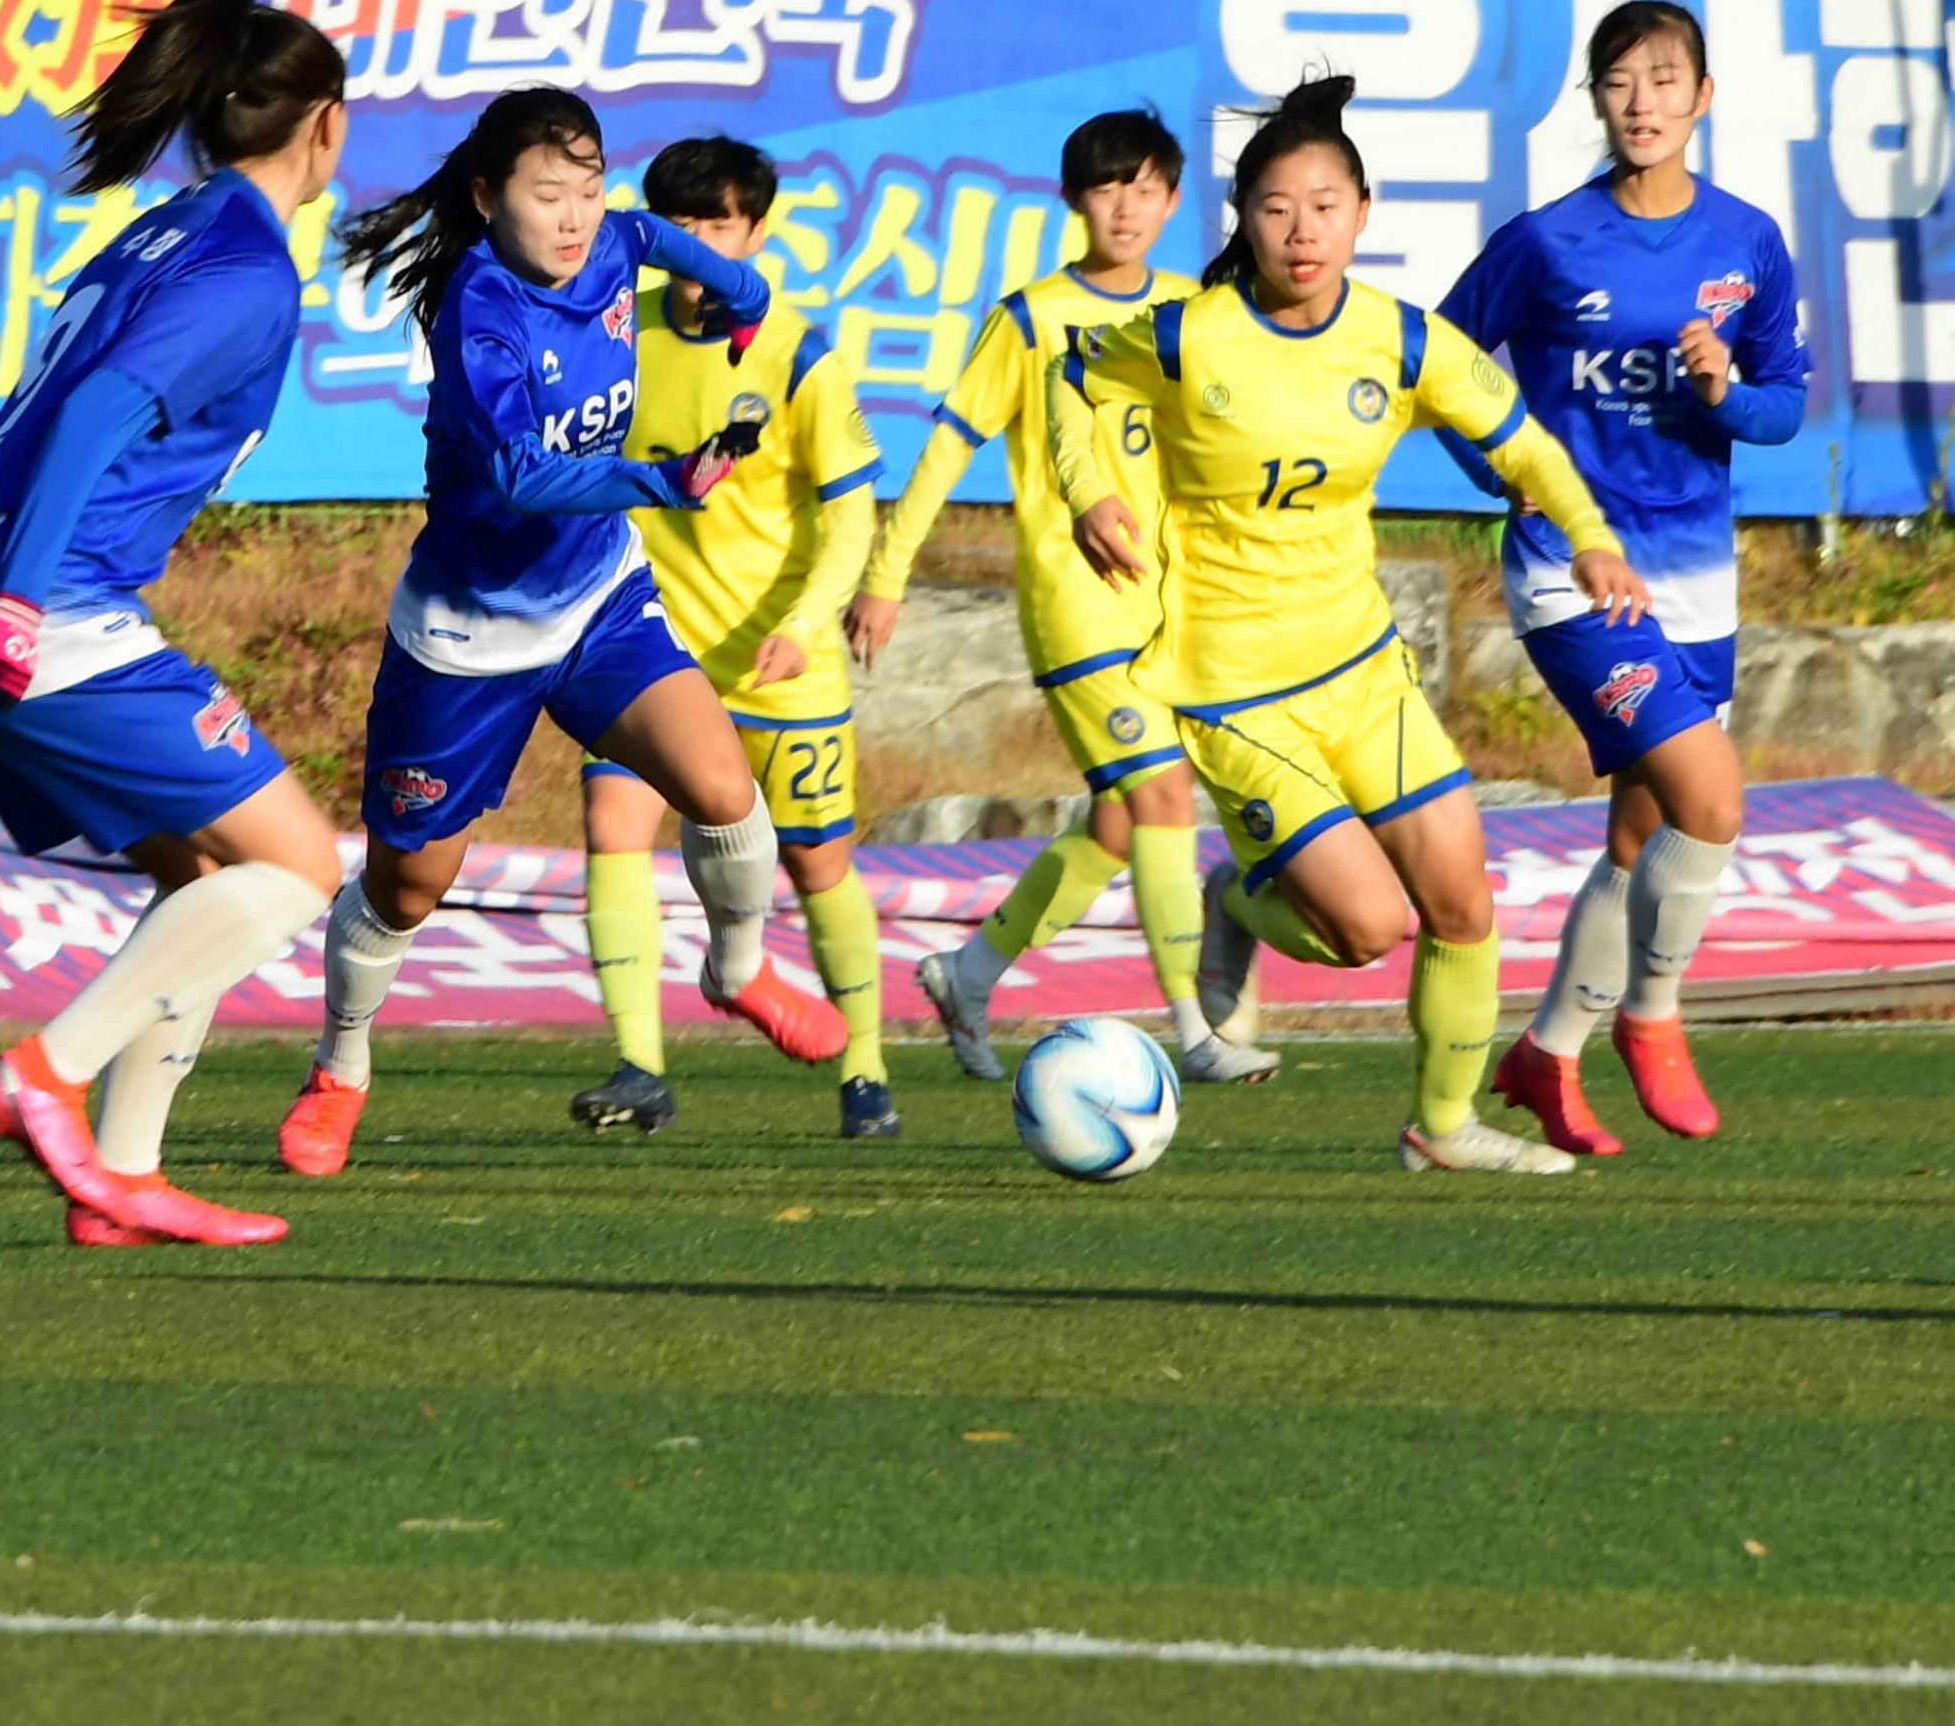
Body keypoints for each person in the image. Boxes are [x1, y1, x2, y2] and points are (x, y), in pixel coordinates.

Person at [1041, 77, 1655, 1174]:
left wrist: (1591, 535)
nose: (1302, 227)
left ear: (1362, 213)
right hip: (1235, 687)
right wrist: (1090, 487)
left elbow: (1521, 441)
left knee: (1464, 901)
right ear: (1244, 221)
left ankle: (1446, 1126)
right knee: (1370, 929)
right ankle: (1240, 898)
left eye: (1325, 202)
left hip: (1365, 670)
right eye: (1276, 206)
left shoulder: (1399, 340)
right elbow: (1072, 381)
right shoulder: (1189, 334)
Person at [0, 0, 359, 1250]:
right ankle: (46, 1073)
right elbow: (100, 412)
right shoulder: (244, 271)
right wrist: (20, 601)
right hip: (43, 606)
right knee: (299, 865)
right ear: (320, 126)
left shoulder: (158, 233)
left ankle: (122, 1178)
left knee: (203, 874)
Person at [282, 87, 775, 1160]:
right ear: (485, 196)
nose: (575, 217)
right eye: (547, 193)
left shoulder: (620, 242)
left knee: (725, 787)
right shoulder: (480, 311)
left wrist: (743, 300)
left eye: (588, 190)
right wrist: (658, 477)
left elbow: (691, 253)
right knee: (406, 885)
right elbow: (517, 472)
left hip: (598, 599)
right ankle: (341, 1060)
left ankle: (737, 967)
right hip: (468, 638)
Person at [1438, 0, 1806, 1151]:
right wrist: (1503, 469)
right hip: (1574, 569)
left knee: (1644, 839)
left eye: (1663, 78)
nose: (1641, 101)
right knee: (1714, 799)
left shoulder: (1746, 240)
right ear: (1594, 101)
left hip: (1698, 575)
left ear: (1704, 97)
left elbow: (1784, 407)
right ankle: (1653, 1015)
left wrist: (1722, 395)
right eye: (1618, 81)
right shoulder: (1549, 239)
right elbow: (1440, 363)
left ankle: (1546, 1054)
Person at [853, 107, 1272, 1086]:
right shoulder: (1032, 318)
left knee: (1124, 823)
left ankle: (969, 969)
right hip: (1077, 606)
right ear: (1074, 198)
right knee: (1166, 799)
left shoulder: (1193, 310)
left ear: (1172, 200)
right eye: (1104, 185)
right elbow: (950, 443)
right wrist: (885, 574)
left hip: (1177, 611)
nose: (1124, 205)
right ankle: (1195, 1032)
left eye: (1144, 187)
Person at [591, 133, 897, 1140]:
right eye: (682, 223)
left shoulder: (795, 350)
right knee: (613, 833)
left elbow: (853, 509)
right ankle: (639, 1065)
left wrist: (808, 624)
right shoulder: (612, 333)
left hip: (779, 661)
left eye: (721, 222)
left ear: (756, 231)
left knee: (816, 866)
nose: (702, 242)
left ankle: (864, 1071)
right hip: (645, 649)